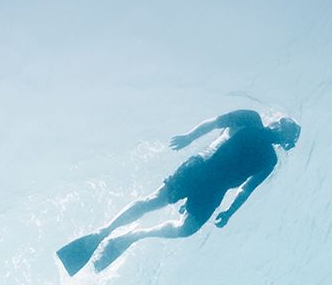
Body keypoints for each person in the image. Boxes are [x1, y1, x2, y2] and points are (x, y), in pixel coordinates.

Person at [57, 110, 301, 275]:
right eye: (286, 125)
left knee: (187, 229)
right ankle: (104, 232)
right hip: (200, 166)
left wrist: (229, 212)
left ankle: (132, 236)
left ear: (286, 141)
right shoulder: (251, 118)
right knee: (155, 200)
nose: (283, 129)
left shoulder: (269, 160)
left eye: (289, 133)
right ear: (277, 122)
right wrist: (189, 136)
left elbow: (247, 188)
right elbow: (216, 123)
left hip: (215, 189)